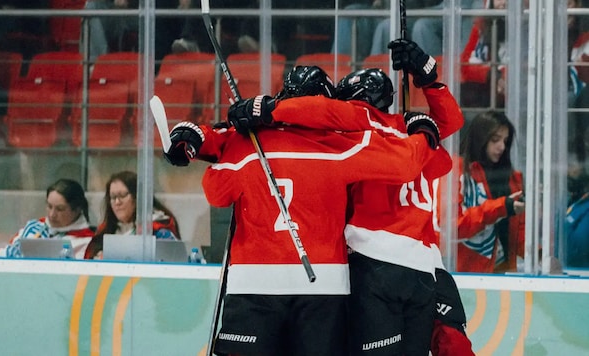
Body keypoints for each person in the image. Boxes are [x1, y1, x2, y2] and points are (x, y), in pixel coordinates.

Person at [164, 65, 446, 355]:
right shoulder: (342, 145)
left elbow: (217, 192)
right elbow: (405, 164)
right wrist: (424, 133)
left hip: (253, 281)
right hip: (324, 284)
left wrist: (198, 136)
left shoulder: (248, 144)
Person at [263, 39, 469, 355]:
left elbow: (319, 111)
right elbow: (452, 122)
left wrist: (267, 110)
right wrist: (428, 77)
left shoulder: (356, 129)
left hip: (373, 261)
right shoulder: (414, 134)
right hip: (425, 268)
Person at [453, 110, 525, 273]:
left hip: (503, 270)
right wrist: (501, 208)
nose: (502, 147)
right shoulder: (458, 171)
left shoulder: (511, 178)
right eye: (495, 140)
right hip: (466, 272)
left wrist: (539, 253)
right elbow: (453, 226)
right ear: (480, 139)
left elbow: (519, 228)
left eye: (505, 141)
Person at [83, 170, 181, 259]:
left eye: (122, 196)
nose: (117, 202)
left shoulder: (158, 229)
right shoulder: (103, 231)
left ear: (137, 197)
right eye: (113, 197)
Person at [0, 178, 95, 259]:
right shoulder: (34, 226)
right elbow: (6, 253)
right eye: (49, 206)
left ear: (76, 209)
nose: (52, 214)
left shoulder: (87, 242)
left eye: (60, 209)